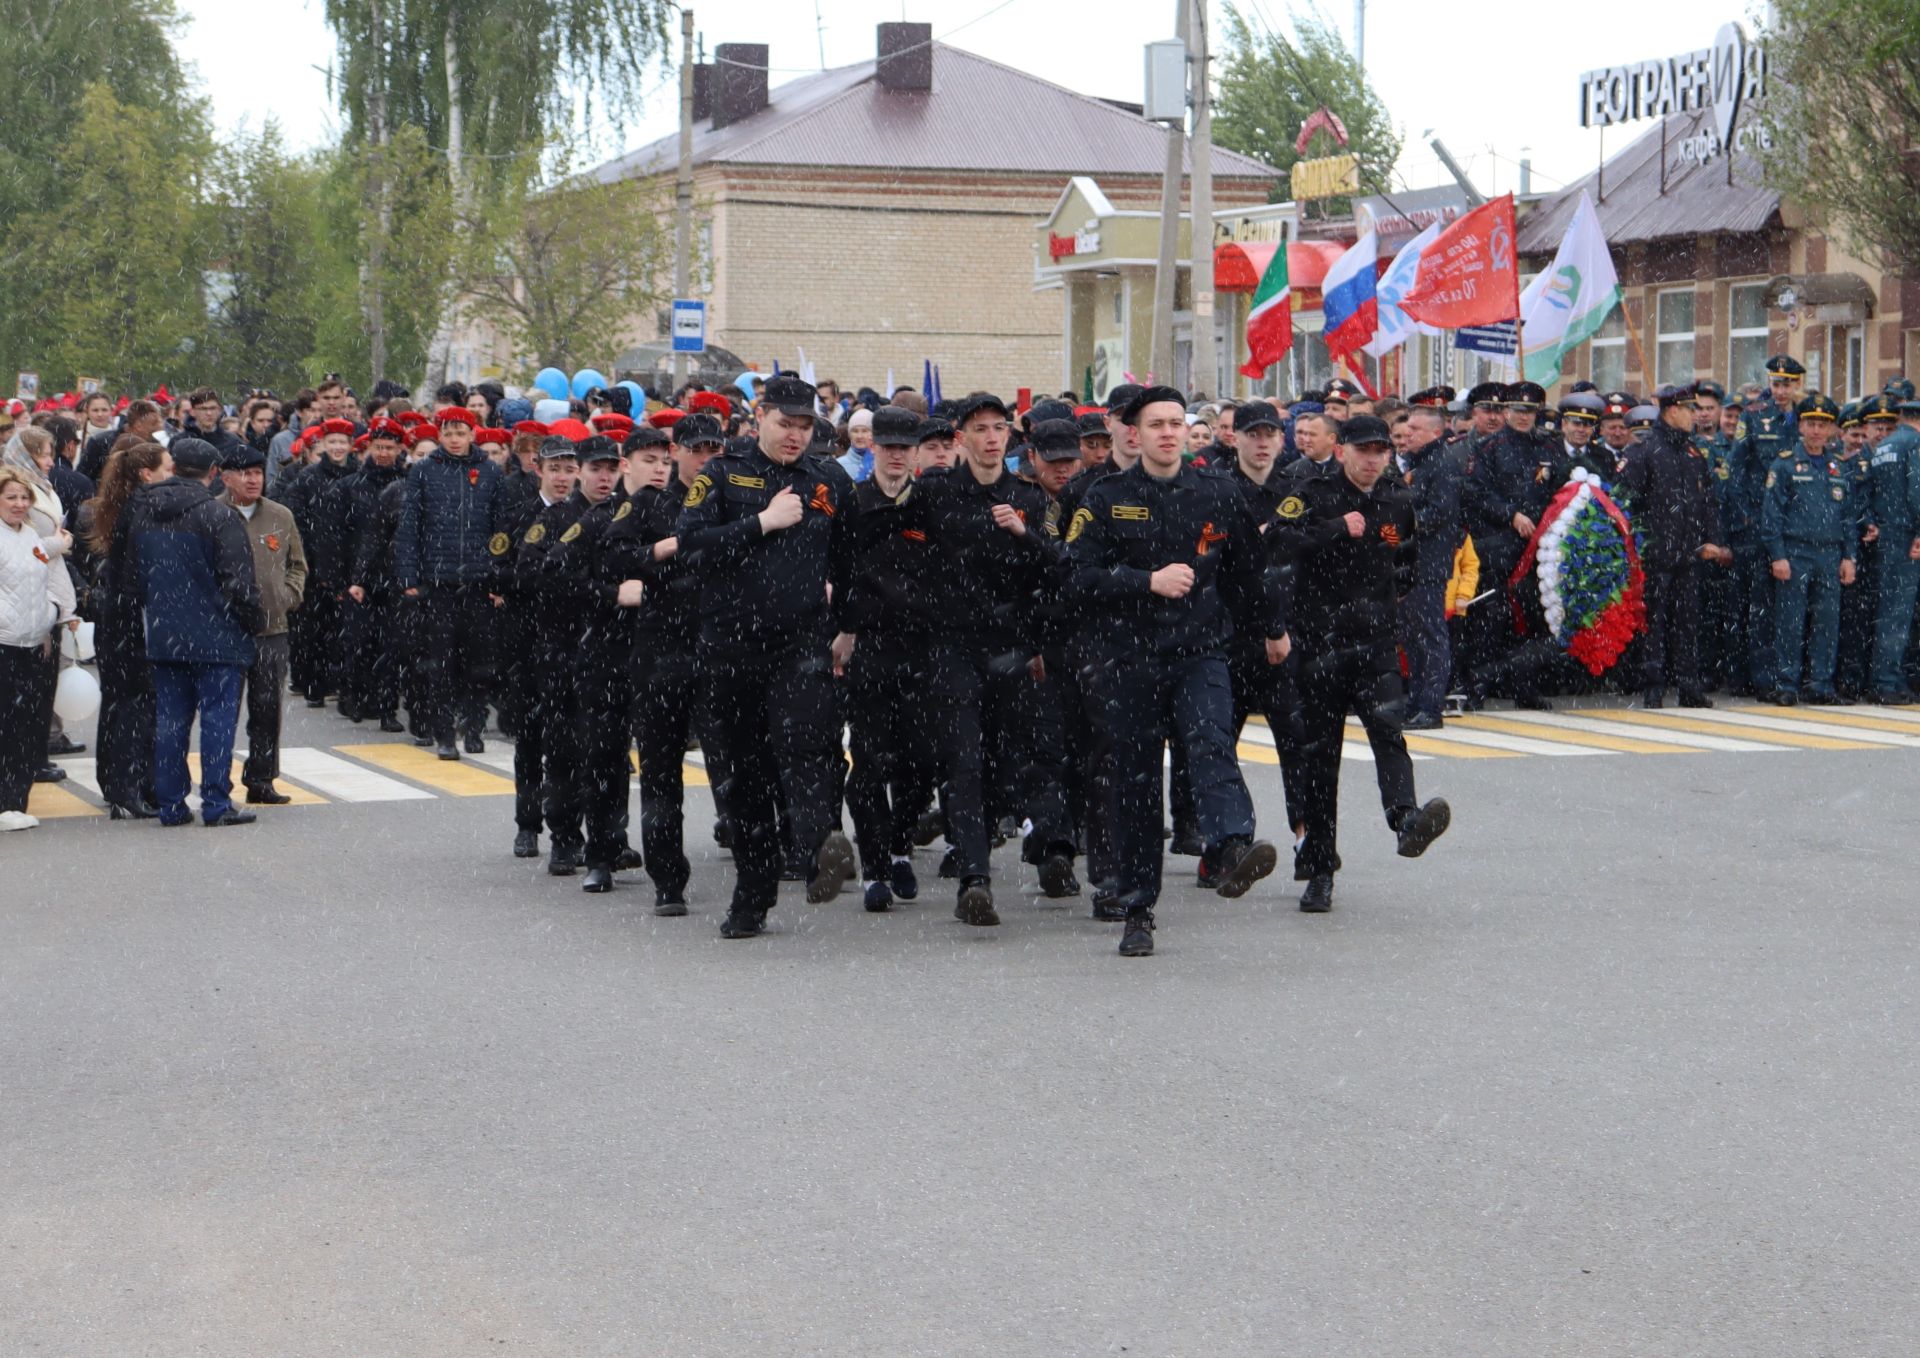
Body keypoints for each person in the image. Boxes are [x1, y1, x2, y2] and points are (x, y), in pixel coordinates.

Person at [1065, 385, 1284, 956]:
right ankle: (1138, 908)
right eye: (1155, 424)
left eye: (1176, 423)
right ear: (1134, 434)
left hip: (1199, 650)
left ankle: (1233, 847)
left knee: (1211, 741)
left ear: (1189, 433)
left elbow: (1246, 574)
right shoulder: (1105, 497)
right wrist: (1144, 581)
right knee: (1137, 787)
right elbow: (1074, 579)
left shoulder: (1218, 493)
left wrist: (1273, 630)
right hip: (1130, 659)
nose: (1167, 433)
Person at [676, 374, 858, 940]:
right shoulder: (722, 474)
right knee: (746, 776)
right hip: (732, 644)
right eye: (785, 424)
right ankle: (752, 896)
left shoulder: (827, 481)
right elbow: (690, 543)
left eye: (805, 427)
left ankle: (816, 844)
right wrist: (760, 523)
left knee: (807, 744)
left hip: (801, 641)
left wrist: (849, 625)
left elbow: (849, 562)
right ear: (760, 418)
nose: (794, 436)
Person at [1272, 414, 1451, 915]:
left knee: (1389, 733)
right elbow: (1276, 543)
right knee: (1320, 759)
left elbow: (1406, 564)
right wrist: (1332, 530)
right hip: (1320, 645)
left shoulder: (1397, 499)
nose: (1373, 460)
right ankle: (1320, 868)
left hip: (1373, 643)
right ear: (1343, 450)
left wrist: (1379, 605)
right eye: (1364, 450)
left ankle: (1405, 819)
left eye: (1381, 451)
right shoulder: (1309, 491)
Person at [116, 437, 265, 827]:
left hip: (166, 634)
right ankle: (215, 803)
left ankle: (171, 804)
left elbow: (131, 579)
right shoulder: (219, 517)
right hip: (218, 635)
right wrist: (252, 621)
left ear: (174, 466)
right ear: (214, 473)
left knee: (170, 721)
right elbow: (239, 582)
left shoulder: (144, 513)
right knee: (217, 722)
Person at [604, 419, 720, 913]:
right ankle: (667, 878)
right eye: (697, 451)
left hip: (719, 646)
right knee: (661, 771)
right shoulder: (652, 502)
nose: (706, 459)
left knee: (734, 763)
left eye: (715, 450)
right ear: (678, 454)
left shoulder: (735, 499)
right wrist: (670, 547)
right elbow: (613, 555)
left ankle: (757, 852)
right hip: (662, 651)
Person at [395, 406, 509, 759]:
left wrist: (498, 575)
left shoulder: (490, 472)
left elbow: (500, 530)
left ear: (473, 434)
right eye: (448, 433)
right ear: (439, 435)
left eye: (461, 432)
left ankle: (473, 727)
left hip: (477, 582)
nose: (455, 439)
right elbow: (410, 525)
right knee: (441, 662)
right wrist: (409, 575)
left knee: (478, 662)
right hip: (438, 581)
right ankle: (444, 733)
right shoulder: (425, 471)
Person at [1617, 385, 1729, 708]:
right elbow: (1625, 502)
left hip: (1689, 553)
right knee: (1654, 623)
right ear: (1671, 411)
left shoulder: (1692, 452)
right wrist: (1642, 541)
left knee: (1687, 623)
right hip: (1655, 554)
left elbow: (1708, 501)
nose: (1695, 416)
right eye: (1689, 410)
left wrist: (1712, 539)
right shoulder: (1645, 451)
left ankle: (1688, 686)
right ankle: (1653, 686)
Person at [217, 442, 308, 803]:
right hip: (227, 629)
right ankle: (217, 780)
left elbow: (297, 564)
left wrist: (289, 595)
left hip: (273, 629)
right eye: (244, 474)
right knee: (223, 711)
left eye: (257, 473)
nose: (252, 480)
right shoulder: (213, 512)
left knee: (268, 707)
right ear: (226, 478)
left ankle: (262, 778)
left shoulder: (280, 515)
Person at [1761, 394, 1856, 706]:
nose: (1816, 430)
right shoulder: (1785, 463)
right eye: (1811, 423)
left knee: (1827, 622)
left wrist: (1849, 556)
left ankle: (1820, 684)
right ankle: (1786, 684)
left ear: (1831, 430)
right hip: (1796, 551)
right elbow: (1771, 514)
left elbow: (1849, 516)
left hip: (1830, 554)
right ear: (1801, 425)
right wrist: (1778, 555)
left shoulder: (1838, 466)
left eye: (1822, 425)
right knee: (1791, 620)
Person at [0, 466, 69, 830]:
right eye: (10, 497)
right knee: (5, 725)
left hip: (33, 643)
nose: (18, 504)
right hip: (4, 644)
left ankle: (14, 801)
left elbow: (44, 567)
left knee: (27, 726)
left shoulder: (29, 535)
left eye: (24, 497)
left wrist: (52, 614)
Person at [1397, 404, 1469, 728]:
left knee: (1430, 636)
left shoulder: (1442, 463)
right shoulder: (1422, 462)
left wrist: (1399, 526)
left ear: (1436, 433)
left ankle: (1430, 706)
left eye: (1415, 429)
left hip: (1428, 562)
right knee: (1412, 637)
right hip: (1411, 562)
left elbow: (1438, 513)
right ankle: (1416, 702)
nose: (1407, 434)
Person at [1866, 394, 1920, 703]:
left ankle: (1890, 678)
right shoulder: (1913, 445)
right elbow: (1917, 490)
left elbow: (1874, 492)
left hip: (1887, 534)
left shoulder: (1884, 446)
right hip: (1906, 535)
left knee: (1889, 611)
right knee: (1898, 614)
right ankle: (1887, 682)